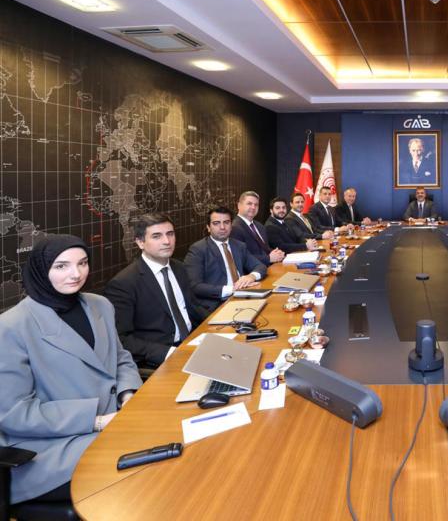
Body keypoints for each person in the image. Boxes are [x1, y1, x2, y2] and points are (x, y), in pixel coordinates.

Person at [0, 235, 142, 505]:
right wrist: (97, 421)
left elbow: (121, 358)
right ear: (42, 270)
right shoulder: (11, 326)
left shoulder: (100, 305)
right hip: (51, 448)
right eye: (61, 266)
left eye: (83, 263)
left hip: (114, 425)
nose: (76, 274)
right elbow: (14, 413)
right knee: (145, 477)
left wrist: (128, 396)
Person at [104, 214, 205, 369]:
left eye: (170, 234)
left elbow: (192, 308)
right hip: (161, 358)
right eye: (156, 236)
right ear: (140, 242)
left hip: (192, 343)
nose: (167, 241)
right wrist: (170, 353)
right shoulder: (124, 283)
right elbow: (122, 339)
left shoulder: (179, 268)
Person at [184, 207, 268, 313]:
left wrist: (251, 276)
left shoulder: (239, 246)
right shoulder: (198, 250)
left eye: (226, 222)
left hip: (242, 297)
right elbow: (195, 286)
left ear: (231, 225)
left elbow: (260, 266)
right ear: (208, 227)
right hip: (217, 304)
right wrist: (231, 289)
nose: (222, 227)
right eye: (216, 223)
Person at [230, 191, 285, 266]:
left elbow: (265, 249)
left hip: (271, 267)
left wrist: (277, 253)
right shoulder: (234, 228)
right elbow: (241, 257)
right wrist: (268, 258)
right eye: (249, 203)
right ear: (239, 205)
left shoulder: (260, 226)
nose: (253, 207)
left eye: (256, 205)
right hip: (253, 271)